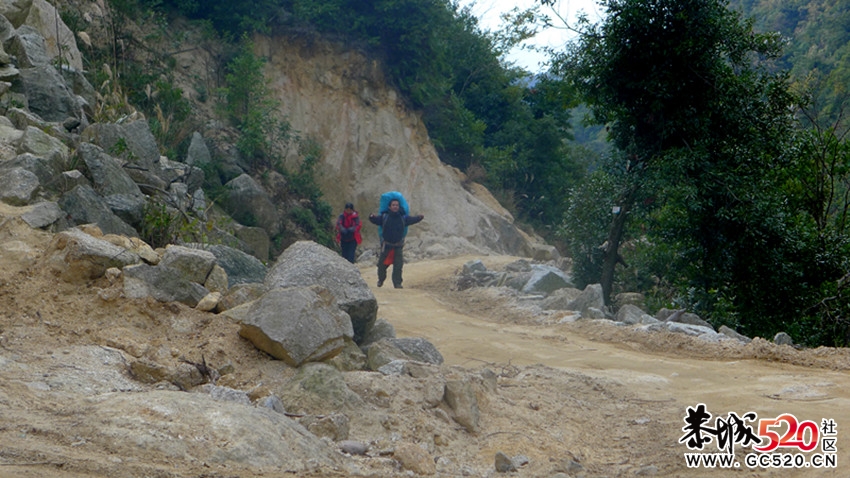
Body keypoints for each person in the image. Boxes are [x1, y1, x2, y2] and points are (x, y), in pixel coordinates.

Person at [369, 198, 424, 289]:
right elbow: (375, 220)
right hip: (386, 246)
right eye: (393, 205)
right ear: (389, 207)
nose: (395, 207)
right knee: (381, 266)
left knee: (398, 266)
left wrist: (419, 217)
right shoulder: (384, 217)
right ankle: (381, 279)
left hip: (398, 246)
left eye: (397, 205)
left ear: (399, 207)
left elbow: (412, 219)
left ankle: (397, 283)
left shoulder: (403, 217)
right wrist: (371, 217)